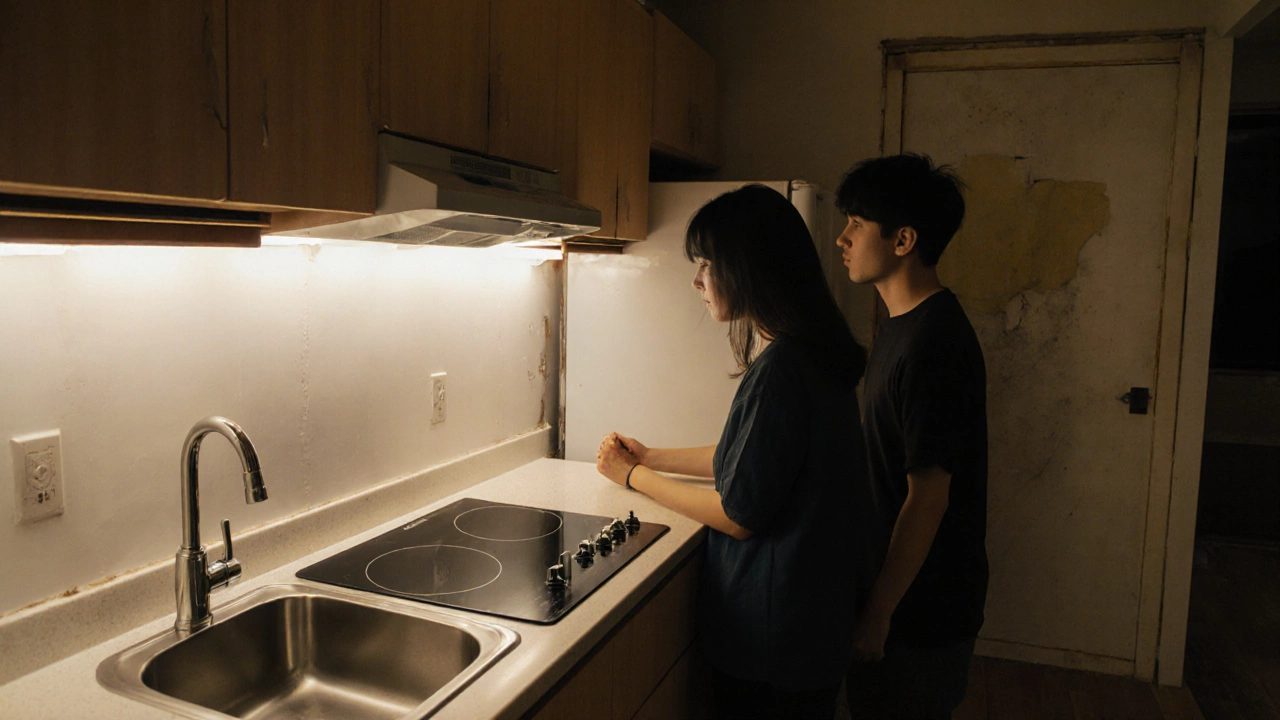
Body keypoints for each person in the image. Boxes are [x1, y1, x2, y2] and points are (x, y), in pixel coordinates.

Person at [595, 184, 877, 720]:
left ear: (748, 267)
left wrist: (632, 477)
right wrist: (650, 457)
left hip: (773, 638)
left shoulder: (782, 370)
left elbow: (738, 514)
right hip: (807, 624)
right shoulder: (808, 352)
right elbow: (749, 458)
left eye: (707, 264)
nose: (697, 281)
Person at [834, 154, 988, 720]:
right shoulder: (902, 326)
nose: (842, 238)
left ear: (903, 240)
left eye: (857, 223)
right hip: (898, 598)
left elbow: (928, 498)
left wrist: (879, 614)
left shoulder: (933, 344)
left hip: (921, 612)